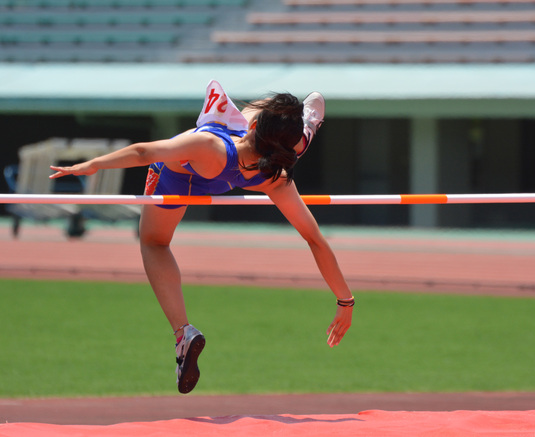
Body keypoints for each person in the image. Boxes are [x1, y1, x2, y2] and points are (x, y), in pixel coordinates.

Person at [49, 80, 355, 394]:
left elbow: (143, 151)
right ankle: (304, 125)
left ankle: (183, 332)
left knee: (154, 243)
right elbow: (315, 239)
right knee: (293, 141)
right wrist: (345, 300)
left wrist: (90, 165)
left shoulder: (209, 145)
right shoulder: (277, 176)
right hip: (240, 174)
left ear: (251, 127)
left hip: (179, 176)